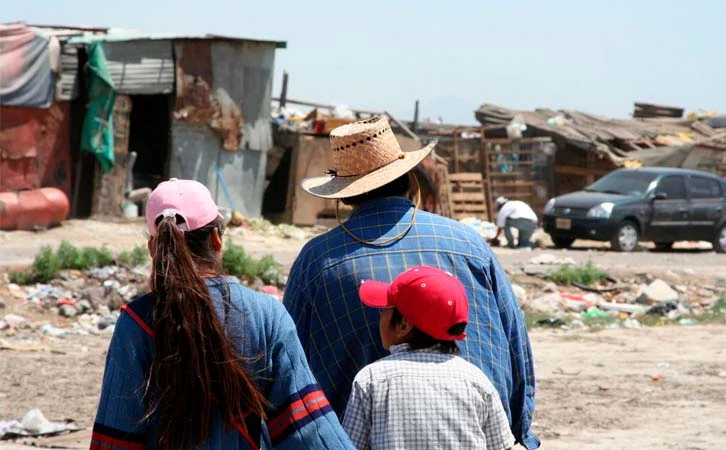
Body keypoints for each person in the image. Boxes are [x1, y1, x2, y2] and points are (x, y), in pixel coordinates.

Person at [283, 116, 539, 449]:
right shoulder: (469, 244)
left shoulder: (319, 259)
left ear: (345, 196)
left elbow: (287, 362)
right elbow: (514, 344)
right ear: (409, 180)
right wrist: (521, 430)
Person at [91, 179, 354, 450]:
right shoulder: (267, 314)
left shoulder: (135, 323)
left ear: (153, 250)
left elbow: (116, 434)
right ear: (216, 240)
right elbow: (308, 428)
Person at [343, 266, 516, 450]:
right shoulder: (475, 379)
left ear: (404, 325)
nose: (381, 318)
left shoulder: (371, 379)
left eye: (386, 310)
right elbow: (503, 447)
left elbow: (349, 446)